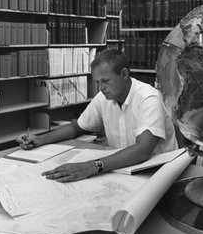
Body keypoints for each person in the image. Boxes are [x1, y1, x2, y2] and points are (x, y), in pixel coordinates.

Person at [16, 49, 178, 183]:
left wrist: (92, 166)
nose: (101, 88)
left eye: (105, 81)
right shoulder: (104, 97)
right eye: (97, 82)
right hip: (123, 170)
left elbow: (143, 150)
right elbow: (76, 128)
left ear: (124, 74)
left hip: (159, 174)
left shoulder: (148, 98)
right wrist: (41, 139)